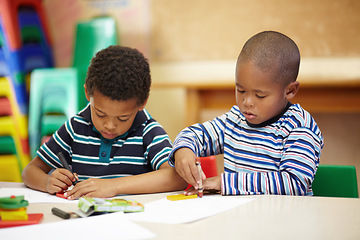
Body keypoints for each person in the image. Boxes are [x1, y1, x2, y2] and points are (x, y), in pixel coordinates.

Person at [169, 31, 324, 196]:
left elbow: (293, 183)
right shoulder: (235, 120)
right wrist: (184, 150)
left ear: (290, 90)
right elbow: (194, 134)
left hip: (284, 219)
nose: (247, 102)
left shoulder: (299, 127)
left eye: (260, 95)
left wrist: (224, 182)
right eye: (241, 90)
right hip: (240, 218)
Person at [22, 45, 187, 199]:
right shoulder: (75, 127)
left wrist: (113, 186)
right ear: (88, 93)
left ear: (142, 103)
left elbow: (177, 177)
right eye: (100, 114)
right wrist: (47, 182)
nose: (109, 125)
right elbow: (30, 171)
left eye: (123, 118)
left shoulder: (147, 131)